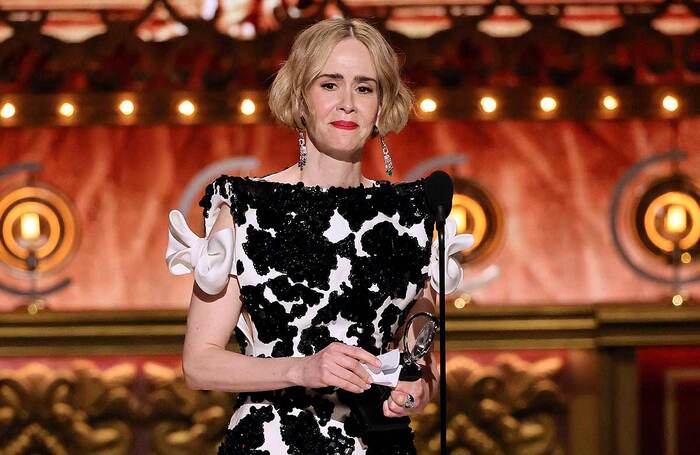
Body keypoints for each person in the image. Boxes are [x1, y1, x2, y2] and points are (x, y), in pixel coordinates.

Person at [165, 17, 469, 454]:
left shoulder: (412, 214)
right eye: (330, 84)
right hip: (274, 441)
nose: (347, 103)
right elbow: (199, 363)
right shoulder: (247, 209)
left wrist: (421, 379)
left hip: (380, 443)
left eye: (365, 87)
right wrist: (302, 370)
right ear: (300, 98)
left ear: (382, 105)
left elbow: (416, 329)